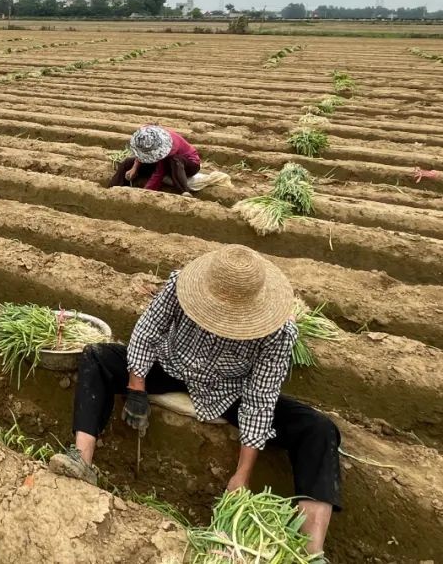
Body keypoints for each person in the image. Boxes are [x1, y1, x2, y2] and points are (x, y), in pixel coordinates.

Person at [49, 245, 340, 558]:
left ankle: (310, 549)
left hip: (228, 391)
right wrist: (136, 388)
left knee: (319, 430)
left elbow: (260, 399)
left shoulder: (279, 332)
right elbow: (148, 332)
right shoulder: (180, 285)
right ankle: (82, 459)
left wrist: (242, 476)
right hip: (172, 366)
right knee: (97, 357)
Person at [109, 125, 200, 196]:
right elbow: (140, 153)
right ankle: (111, 190)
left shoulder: (171, 146)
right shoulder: (145, 134)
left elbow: (159, 172)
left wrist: (146, 191)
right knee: (128, 162)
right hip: (162, 161)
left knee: (174, 160)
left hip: (187, 164)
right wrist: (134, 168)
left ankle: (184, 191)